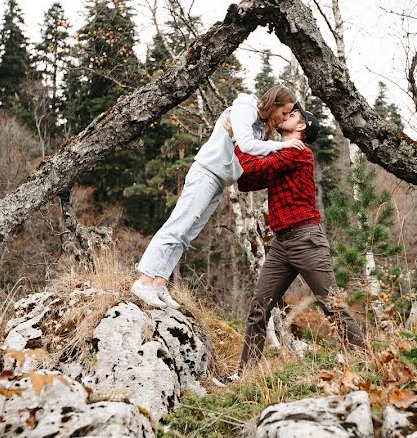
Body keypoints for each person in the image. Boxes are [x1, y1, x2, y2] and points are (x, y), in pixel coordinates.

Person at [224, 103, 367, 378]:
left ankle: (368, 364)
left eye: (291, 115)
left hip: (306, 239)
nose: (284, 116)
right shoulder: (281, 152)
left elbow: (253, 167)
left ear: (301, 127)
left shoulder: (297, 153)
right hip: (281, 245)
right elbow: (247, 180)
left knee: (333, 306)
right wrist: (242, 143)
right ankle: (244, 375)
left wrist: (239, 137)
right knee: (258, 309)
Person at [130, 86, 305, 309]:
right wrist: (282, 145)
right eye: (283, 112)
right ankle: (144, 281)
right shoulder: (245, 110)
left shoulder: (260, 125)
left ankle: (158, 282)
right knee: (178, 225)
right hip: (206, 172)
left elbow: (249, 156)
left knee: (187, 235)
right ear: (274, 104)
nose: (282, 119)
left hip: (219, 180)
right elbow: (247, 145)